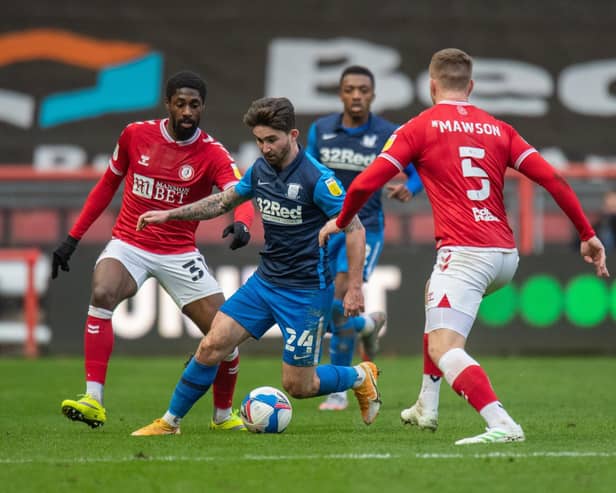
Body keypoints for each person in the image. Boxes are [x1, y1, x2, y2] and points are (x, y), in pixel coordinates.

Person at [319, 48, 609, 445]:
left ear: (431, 85)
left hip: (466, 253)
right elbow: (554, 180)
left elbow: (366, 182)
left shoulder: (418, 127)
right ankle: (427, 403)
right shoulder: (500, 129)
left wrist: (343, 218)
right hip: (505, 255)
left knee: (445, 348)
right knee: (431, 295)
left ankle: (502, 425)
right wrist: (586, 234)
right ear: (470, 86)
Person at [130, 96, 381, 436]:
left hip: (306, 293)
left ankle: (359, 376)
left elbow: (355, 228)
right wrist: (170, 213)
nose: (265, 148)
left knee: (299, 386)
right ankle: (170, 422)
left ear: (293, 135)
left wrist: (353, 287)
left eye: (271, 140)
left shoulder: (318, 180)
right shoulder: (260, 170)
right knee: (212, 344)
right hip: (264, 284)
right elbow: (223, 200)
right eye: (259, 140)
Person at [53, 71, 255, 431]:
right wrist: (73, 238)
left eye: (194, 104)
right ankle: (93, 400)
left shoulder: (212, 152)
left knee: (226, 334)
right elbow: (105, 187)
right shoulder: (136, 135)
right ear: (168, 105)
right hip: (129, 243)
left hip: (179, 252)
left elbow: (239, 192)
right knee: (102, 292)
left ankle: (223, 416)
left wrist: (243, 223)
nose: (187, 111)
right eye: (180, 103)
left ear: (203, 107)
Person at [306, 65, 423, 412]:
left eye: (363, 90)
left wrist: (410, 188)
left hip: (365, 227)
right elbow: (307, 170)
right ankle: (367, 326)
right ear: (341, 93)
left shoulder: (389, 133)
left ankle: (339, 388)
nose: (356, 95)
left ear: (373, 95)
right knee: (326, 305)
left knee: (342, 294)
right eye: (350, 89)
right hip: (327, 226)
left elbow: (418, 171)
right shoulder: (322, 130)